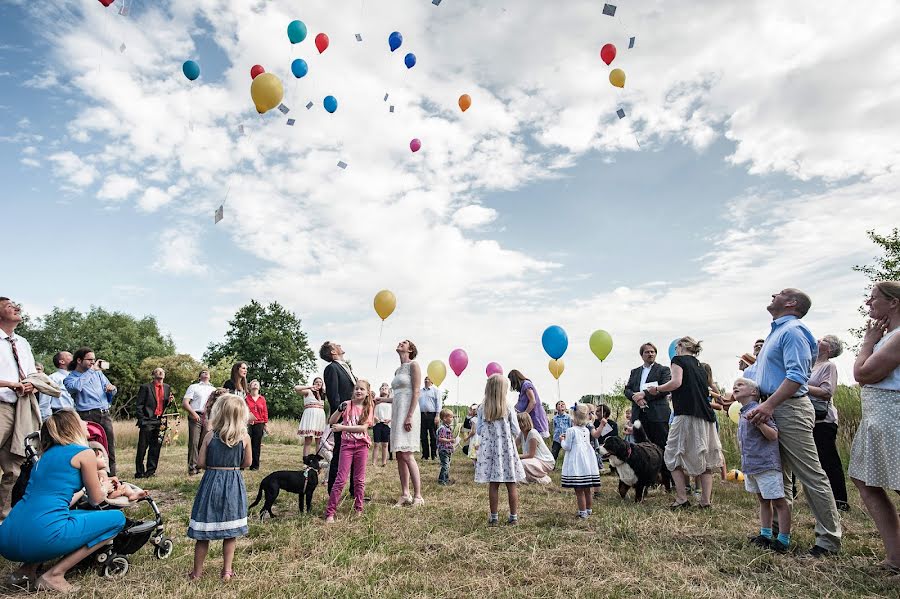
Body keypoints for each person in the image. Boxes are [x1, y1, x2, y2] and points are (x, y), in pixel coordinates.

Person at [746, 288, 842, 557]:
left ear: (791, 303)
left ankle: (828, 540)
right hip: (772, 406)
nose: (773, 294)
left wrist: (768, 405)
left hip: (789, 408)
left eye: (780, 293)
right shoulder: (775, 333)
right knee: (779, 474)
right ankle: (778, 533)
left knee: (810, 473)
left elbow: (798, 376)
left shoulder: (794, 331)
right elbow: (761, 373)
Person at [0, 410, 125, 592]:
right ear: (72, 426)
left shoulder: (44, 457)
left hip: (7, 538)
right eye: (81, 420)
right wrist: (104, 487)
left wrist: (83, 488)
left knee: (66, 514)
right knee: (117, 519)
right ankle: (54, 575)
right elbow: (97, 499)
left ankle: (26, 569)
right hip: (40, 536)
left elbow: (60, 500)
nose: (85, 423)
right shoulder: (85, 453)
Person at [849, 280, 900, 575]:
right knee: (865, 480)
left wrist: (868, 340)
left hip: (893, 414)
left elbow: (863, 372)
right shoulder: (888, 335)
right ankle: (895, 557)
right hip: (877, 415)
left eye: (873, 298)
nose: (869, 304)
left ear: (893, 303)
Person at [646, 336, 723, 509]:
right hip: (706, 417)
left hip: (686, 415)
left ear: (680, 346)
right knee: (705, 459)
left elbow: (676, 382)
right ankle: (705, 501)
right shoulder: (700, 366)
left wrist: (656, 389)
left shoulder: (678, 360)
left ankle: (682, 498)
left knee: (672, 454)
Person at [187, 394, 251, 582]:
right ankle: (227, 571)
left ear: (218, 413)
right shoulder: (244, 437)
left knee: (203, 533)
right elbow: (248, 462)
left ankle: (197, 573)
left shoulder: (209, 436)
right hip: (233, 481)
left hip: (211, 481)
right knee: (230, 533)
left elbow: (200, 462)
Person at [733, 378, 792, 553]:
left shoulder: (759, 411)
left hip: (766, 465)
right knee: (763, 500)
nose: (735, 386)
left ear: (753, 392)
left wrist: (759, 423)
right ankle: (765, 534)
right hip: (751, 465)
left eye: (740, 385)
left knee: (778, 501)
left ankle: (783, 539)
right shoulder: (743, 413)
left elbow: (773, 435)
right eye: (734, 385)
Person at [0, 297, 38, 518]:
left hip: (21, 409)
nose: (16, 307)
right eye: (8, 306)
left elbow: (31, 373)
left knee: (15, 467)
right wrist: (11, 384)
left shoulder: (22, 343)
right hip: (1, 405)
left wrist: (32, 384)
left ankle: (4, 518)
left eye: (16, 305)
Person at [377, 340, 424, 507]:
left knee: (406, 453)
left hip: (409, 412)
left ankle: (418, 496)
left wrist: (409, 416)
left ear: (410, 349)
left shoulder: (414, 365)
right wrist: (381, 399)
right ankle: (405, 494)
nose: (400, 343)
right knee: (398, 454)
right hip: (397, 412)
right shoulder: (398, 370)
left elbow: (416, 391)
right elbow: (397, 395)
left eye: (404, 343)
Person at [475, 374, 525, 526]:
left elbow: (478, 430)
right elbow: (516, 430)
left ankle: (494, 517)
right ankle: (513, 517)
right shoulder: (509, 407)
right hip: (506, 450)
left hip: (489, 452)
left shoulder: (482, 408)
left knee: (494, 484)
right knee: (511, 484)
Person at [808, 335, 850, 512]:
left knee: (828, 459)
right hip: (807, 417)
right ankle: (820, 497)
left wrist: (799, 386)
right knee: (812, 460)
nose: (818, 340)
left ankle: (840, 500)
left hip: (824, 420)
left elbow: (827, 392)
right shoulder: (809, 365)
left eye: (824, 340)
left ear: (830, 349)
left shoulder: (828, 366)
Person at [324, 380, 374, 523]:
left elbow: (363, 428)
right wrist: (339, 410)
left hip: (361, 446)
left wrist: (342, 428)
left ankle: (359, 508)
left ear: (367, 393)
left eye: (362, 389)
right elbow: (331, 421)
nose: (358, 391)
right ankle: (330, 512)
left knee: (359, 479)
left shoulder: (368, 407)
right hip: (346, 446)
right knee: (340, 479)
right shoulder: (347, 405)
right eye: (356, 388)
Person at [64, 347, 118, 476]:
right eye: (90, 360)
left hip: (104, 413)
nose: (93, 363)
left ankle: (112, 477)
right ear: (79, 360)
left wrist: (112, 389)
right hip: (86, 415)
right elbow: (76, 387)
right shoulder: (69, 378)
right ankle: (93, 478)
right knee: (90, 448)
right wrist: (91, 371)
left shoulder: (98, 374)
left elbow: (111, 389)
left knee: (109, 447)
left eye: (94, 360)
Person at [320, 341, 359, 497]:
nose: (340, 344)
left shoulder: (346, 367)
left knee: (356, 453)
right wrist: (340, 416)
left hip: (356, 415)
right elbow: (333, 395)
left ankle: (355, 491)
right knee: (339, 454)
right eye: (336, 344)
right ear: (333, 352)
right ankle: (333, 492)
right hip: (343, 417)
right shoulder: (331, 368)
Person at [624, 342, 672, 451]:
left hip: (657, 414)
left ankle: (663, 468)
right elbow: (627, 389)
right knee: (640, 446)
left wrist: (644, 395)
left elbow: (664, 389)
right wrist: (635, 398)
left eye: (652, 352)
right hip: (639, 414)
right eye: (647, 352)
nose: (650, 354)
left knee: (661, 444)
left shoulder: (663, 370)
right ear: (642, 355)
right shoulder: (635, 372)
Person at [561, 404, 600, 519]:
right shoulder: (586, 430)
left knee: (579, 489)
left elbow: (567, 447)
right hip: (587, 461)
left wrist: (562, 440)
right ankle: (589, 509)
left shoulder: (570, 430)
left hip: (576, 461)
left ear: (574, 416)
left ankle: (582, 512)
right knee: (587, 488)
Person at [134, 367, 173, 479]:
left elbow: (166, 406)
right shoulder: (145, 387)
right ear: (153, 374)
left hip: (161, 421)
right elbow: (139, 405)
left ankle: (151, 471)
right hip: (148, 420)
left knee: (156, 447)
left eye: (162, 371)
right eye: (158, 371)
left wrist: (169, 402)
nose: (160, 372)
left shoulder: (167, 387)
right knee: (142, 447)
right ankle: (139, 472)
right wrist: (142, 420)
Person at [183, 369, 216, 476]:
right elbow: (185, 403)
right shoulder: (194, 387)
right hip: (195, 415)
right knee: (194, 442)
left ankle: (200, 465)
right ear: (199, 376)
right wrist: (193, 413)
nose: (206, 373)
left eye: (208, 372)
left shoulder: (213, 389)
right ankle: (192, 468)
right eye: (203, 372)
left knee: (204, 442)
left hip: (208, 417)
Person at [509, 370, 549, 438]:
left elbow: (533, 401)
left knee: (535, 439)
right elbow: (520, 403)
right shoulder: (522, 389)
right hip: (530, 417)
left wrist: (525, 415)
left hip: (534, 416)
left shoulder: (526, 385)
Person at [517, 412, 554, 484]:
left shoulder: (533, 433)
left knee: (523, 463)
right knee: (518, 464)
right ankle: (529, 479)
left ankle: (543, 478)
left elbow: (531, 455)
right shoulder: (522, 433)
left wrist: (516, 456)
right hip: (534, 460)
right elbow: (514, 446)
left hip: (544, 461)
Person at [38, 351, 75, 421]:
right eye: (70, 356)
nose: (74, 358)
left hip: (75, 416)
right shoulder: (52, 379)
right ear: (62, 361)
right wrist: (48, 422)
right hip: (59, 417)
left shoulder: (76, 379)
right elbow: (44, 403)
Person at [295, 377, 327, 458]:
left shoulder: (323, 394)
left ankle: (318, 460)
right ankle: (306, 459)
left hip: (320, 416)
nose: (318, 383)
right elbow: (296, 388)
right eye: (316, 382)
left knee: (319, 440)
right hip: (310, 415)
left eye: (320, 382)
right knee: (308, 439)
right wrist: (310, 387)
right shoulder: (308, 391)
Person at [245, 379, 268, 471]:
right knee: (246, 443)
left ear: (259, 387)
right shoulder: (246, 398)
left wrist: (265, 423)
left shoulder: (262, 399)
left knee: (256, 445)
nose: (255, 385)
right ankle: (243, 463)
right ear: (250, 387)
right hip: (247, 423)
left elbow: (265, 411)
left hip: (259, 423)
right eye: (253, 384)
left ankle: (255, 465)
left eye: (257, 384)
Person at [419, 376, 442, 460]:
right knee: (423, 436)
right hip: (422, 415)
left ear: (432, 381)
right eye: (425, 379)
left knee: (433, 435)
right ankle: (425, 455)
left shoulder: (435, 391)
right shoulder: (420, 391)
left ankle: (433, 454)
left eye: (428, 379)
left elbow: (439, 404)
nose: (426, 380)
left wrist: (437, 415)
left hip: (432, 415)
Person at [371, 383, 392, 467]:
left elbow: (394, 413)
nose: (384, 389)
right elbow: (371, 410)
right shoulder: (376, 401)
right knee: (376, 444)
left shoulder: (391, 402)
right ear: (379, 390)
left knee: (385, 444)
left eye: (385, 388)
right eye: (382, 388)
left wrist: (390, 420)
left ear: (389, 391)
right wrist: (374, 417)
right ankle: (374, 462)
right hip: (377, 423)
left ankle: (384, 462)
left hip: (386, 424)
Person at [436, 408, 455, 485]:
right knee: (445, 465)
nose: (452, 419)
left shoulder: (448, 427)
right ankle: (441, 480)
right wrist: (450, 441)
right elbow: (440, 438)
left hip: (448, 449)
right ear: (444, 418)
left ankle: (446, 479)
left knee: (447, 465)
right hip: (443, 449)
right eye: (450, 417)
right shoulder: (442, 428)